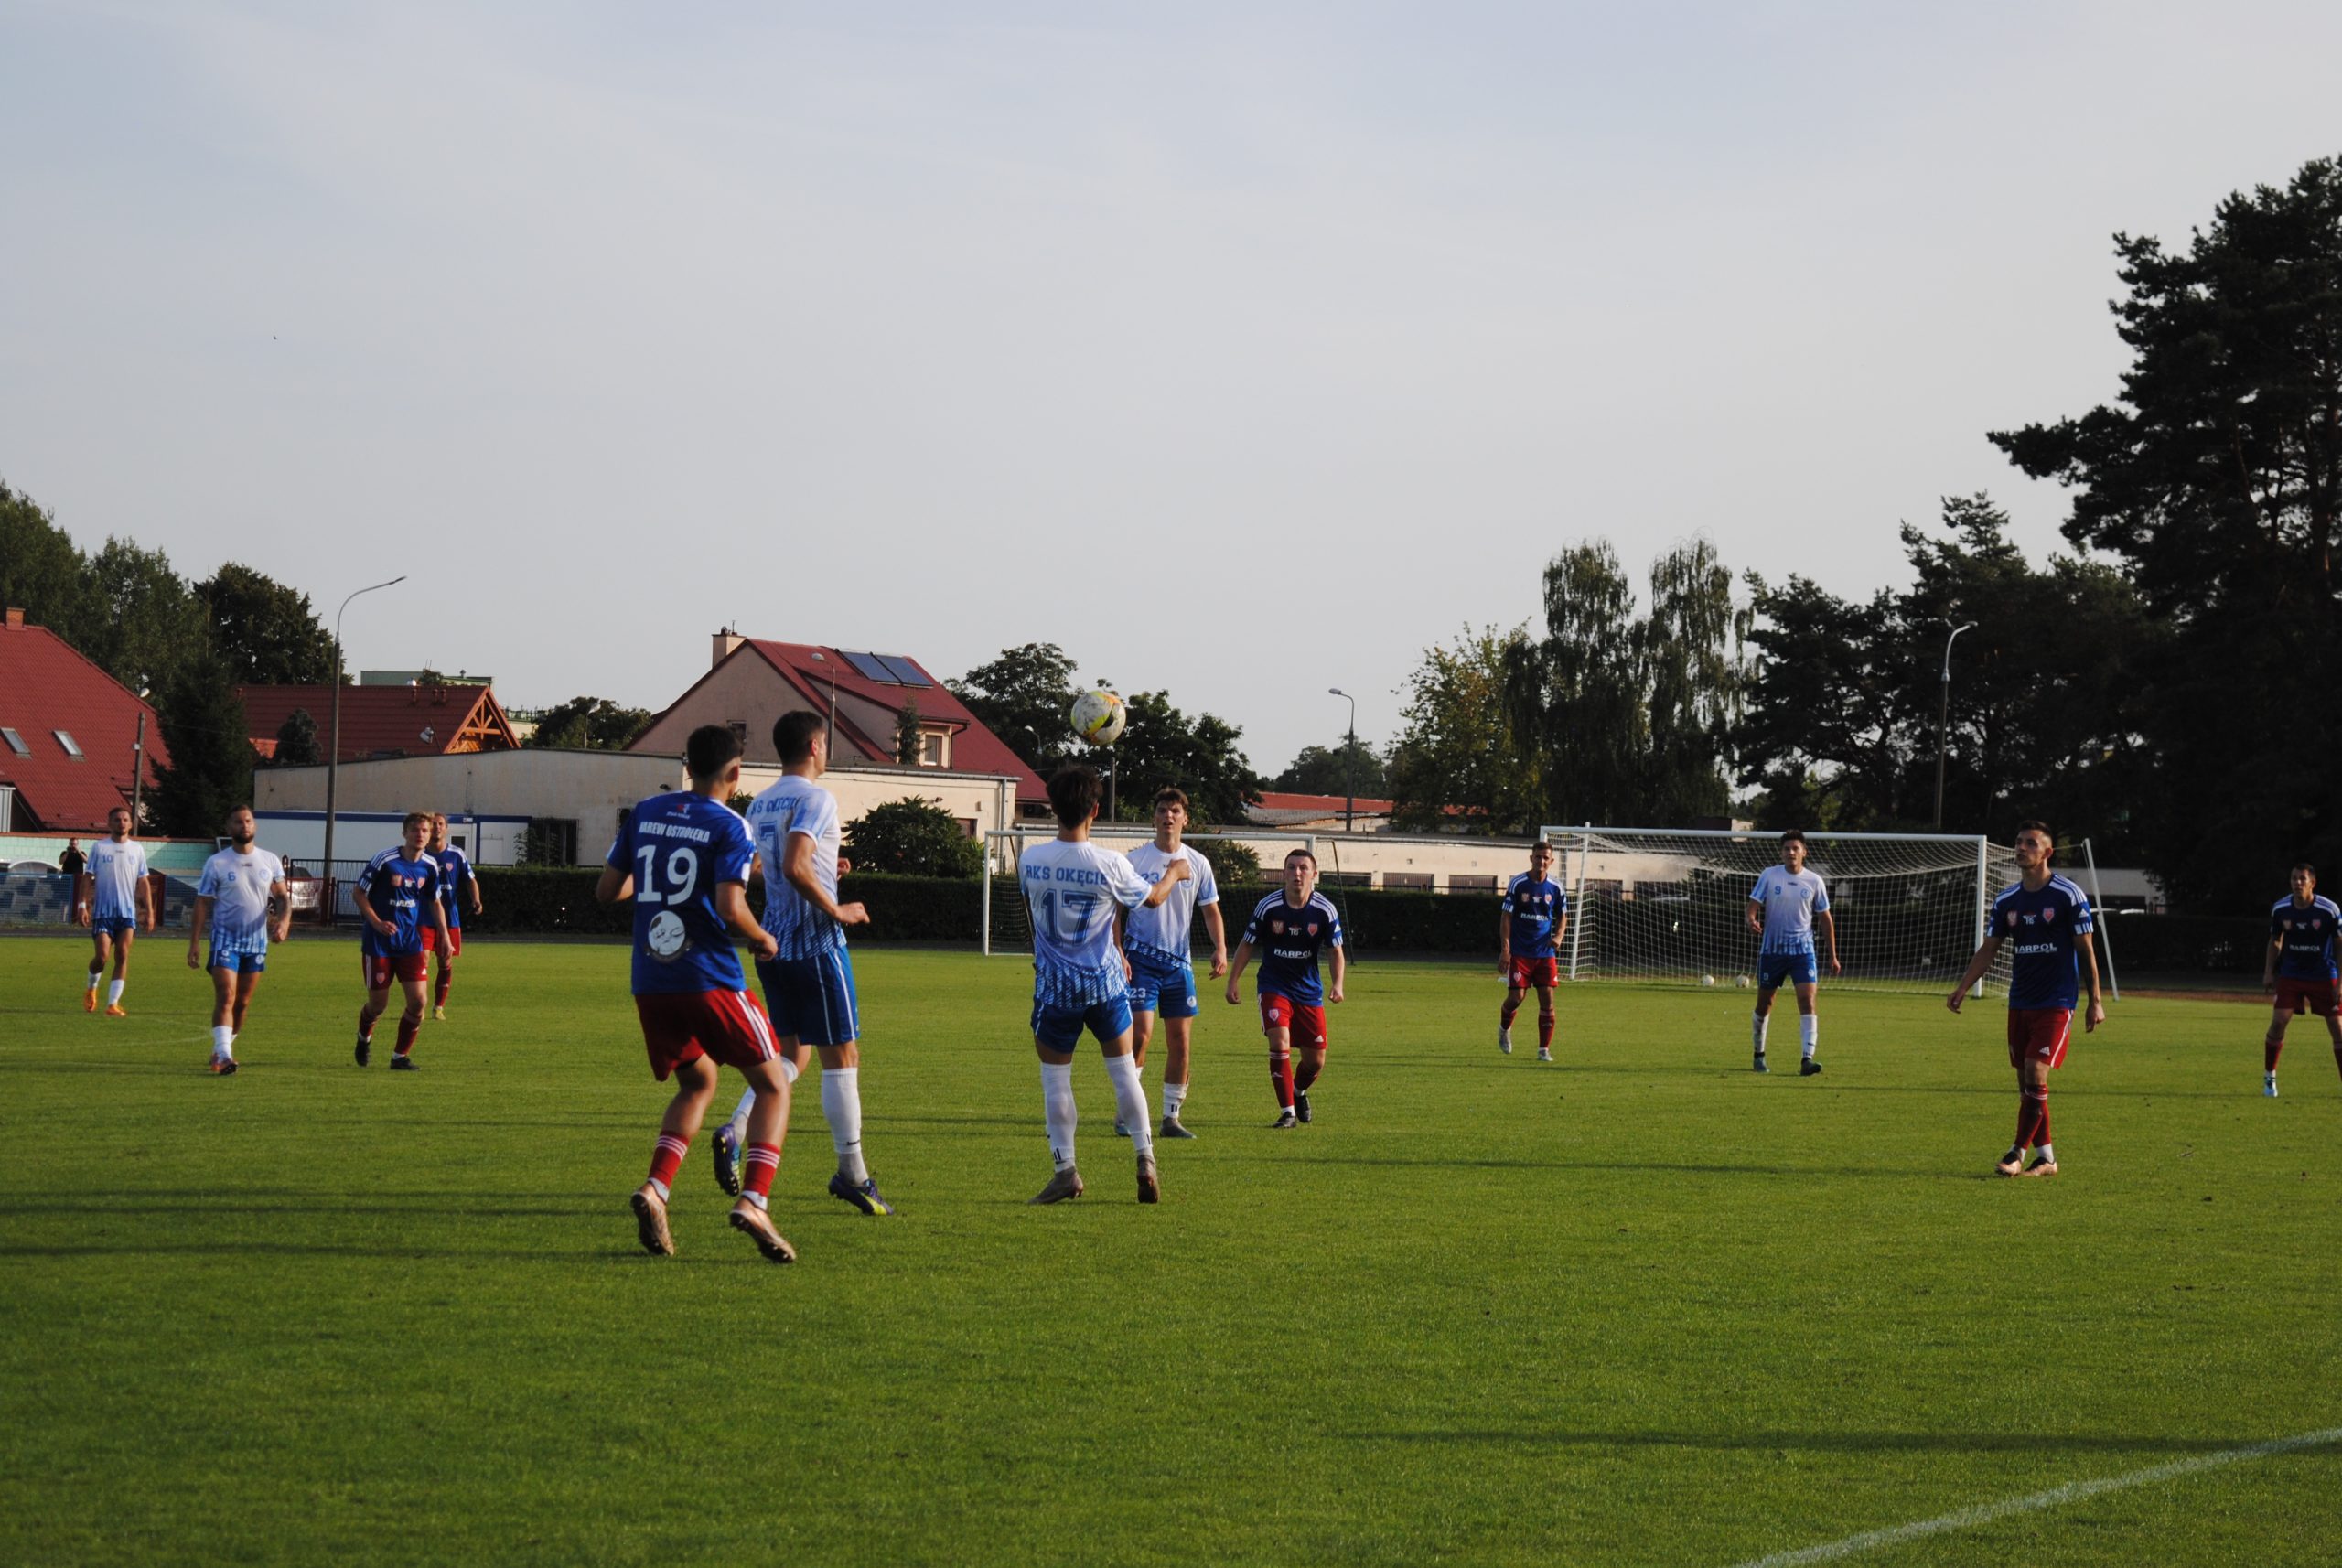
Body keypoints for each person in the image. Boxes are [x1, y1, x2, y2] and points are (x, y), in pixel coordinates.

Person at [596, 725, 795, 1262]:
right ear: (736, 772)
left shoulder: (645, 812)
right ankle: (755, 1201)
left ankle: (655, 1190)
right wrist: (762, 938)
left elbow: (608, 890)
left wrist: (656, 883)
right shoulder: (730, 824)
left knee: (699, 1081)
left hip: (651, 979)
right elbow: (731, 908)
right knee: (774, 1084)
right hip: (708, 977)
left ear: (687, 765)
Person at [715, 711, 894, 1217]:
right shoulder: (817, 798)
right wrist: (836, 908)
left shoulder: (760, 802)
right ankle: (852, 1174)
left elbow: (760, 868)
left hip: (774, 948)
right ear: (816, 746)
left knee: (793, 1055)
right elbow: (794, 865)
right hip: (816, 946)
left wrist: (825, 869)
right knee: (844, 1058)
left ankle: (735, 1129)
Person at [1018, 763, 1189, 1204]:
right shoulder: (1110, 863)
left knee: (1056, 1081)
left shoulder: (1030, 859)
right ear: (1095, 809)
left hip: (1055, 988)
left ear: (1053, 807)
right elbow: (1153, 899)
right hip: (1105, 986)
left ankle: (1065, 1171)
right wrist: (1174, 872)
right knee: (1125, 1074)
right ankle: (1145, 1157)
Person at [1947, 819, 2105, 1177]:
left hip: (2057, 1001)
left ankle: (2016, 1152)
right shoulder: (2007, 900)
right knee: (2028, 1086)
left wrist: (2095, 1000)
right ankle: (2046, 1159)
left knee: (2035, 1071)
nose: (2021, 848)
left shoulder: (2068, 895)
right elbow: (1989, 949)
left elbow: (2086, 950)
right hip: (2020, 1001)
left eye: (2030, 843)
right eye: (2019, 842)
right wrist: (1963, 987)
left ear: (2048, 852)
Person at [1122, 787, 1225, 1139]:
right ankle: (1127, 1112)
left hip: (1178, 965)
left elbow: (1210, 910)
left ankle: (1171, 1118)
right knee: (1140, 1036)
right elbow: (1117, 911)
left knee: (1181, 1042)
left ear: (1185, 819)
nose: (1169, 816)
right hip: (1139, 961)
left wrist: (1220, 947)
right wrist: (1117, 950)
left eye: (1175, 811)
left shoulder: (1198, 863)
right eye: (1163, 810)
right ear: (1153, 818)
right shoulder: (1135, 861)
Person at [1224, 848, 1346, 1128]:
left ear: (1314, 874)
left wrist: (1337, 984)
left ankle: (1298, 1092)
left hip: (1308, 991)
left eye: (1303, 868)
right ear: (1284, 873)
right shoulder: (1268, 906)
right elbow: (1247, 944)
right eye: (1291, 867)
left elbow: (1335, 951)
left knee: (1315, 1062)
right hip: (1273, 986)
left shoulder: (1325, 910)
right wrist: (1233, 981)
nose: (1297, 873)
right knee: (1279, 1043)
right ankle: (1287, 1112)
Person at [186, 806, 289, 1075]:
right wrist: (194, 942)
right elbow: (202, 902)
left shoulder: (269, 860)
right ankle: (224, 1056)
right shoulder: (217, 863)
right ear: (229, 828)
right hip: (224, 940)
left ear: (255, 825)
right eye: (238, 822)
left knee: (242, 1003)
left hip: (256, 942)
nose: (244, 825)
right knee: (226, 995)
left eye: (248, 821)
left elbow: (282, 897)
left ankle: (222, 1049)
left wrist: (284, 922)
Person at [354, 812, 451, 1070]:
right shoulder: (385, 860)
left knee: (419, 1002)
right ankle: (363, 1037)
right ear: (405, 833)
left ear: (430, 835)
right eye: (415, 830)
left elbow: (434, 901)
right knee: (378, 1005)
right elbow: (359, 892)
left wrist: (444, 935)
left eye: (425, 831)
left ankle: (399, 1057)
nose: (420, 835)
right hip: (379, 943)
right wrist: (376, 922)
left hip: (410, 942)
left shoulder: (430, 866)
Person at [1746, 829, 1840, 1075]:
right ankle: (1759, 1055)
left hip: (1803, 952)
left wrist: (1833, 955)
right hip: (1772, 951)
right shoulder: (1769, 875)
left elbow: (1825, 919)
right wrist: (1751, 920)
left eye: (1795, 848)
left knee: (1807, 1001)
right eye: (1787, 849)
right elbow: (1752, 906)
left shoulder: (1815, 881)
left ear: (1804, 852)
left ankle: (1807, 1059)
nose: (1791, 852)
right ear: (1781, 853)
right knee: (1765, 1004)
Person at [2260, 863, 2342, 1097]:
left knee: (2338, 1028)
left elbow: (2340, 945)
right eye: (2294, 878)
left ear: (2312, 883)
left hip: (2323, 974)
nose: (2297, 883)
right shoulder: (2281, 908)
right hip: (2291, 974)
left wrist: (2340, 982)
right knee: (2279, 1021)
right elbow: (2275, 940)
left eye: (2302, 879)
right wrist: (2268, 971)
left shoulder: (2329, 910)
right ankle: (2269, 1078)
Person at [76, 805, 153, 1015]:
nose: (122, 823)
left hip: (127, 913)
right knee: (102, 957)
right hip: (103, 913)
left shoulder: (137, 849)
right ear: (110, 823)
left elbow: (143, 881)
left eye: (125, 819)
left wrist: (149, 911)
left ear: (131, 823)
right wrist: (83, 905)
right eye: (117, 820)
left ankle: (113, 1004)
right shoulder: (100, 848)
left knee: (123, 954)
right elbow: (88, 877)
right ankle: (91, 988)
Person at [1498, 839, 1568, 1062]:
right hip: (1520, 952)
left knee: (1547, 1000)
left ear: (1551, 861)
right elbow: (1506, 916)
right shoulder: (1518, 884)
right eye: (1538, 857)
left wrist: (1558, 936)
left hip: (1545, 953)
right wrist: (1506, 949)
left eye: (1546, 858)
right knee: (1516, 997)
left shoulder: (1556, 887)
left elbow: (1563, 916)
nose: (1541, 861)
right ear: (1531, 858)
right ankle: (1504, 1028)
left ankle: (1543, 1050)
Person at [424, 813, 483, 1020]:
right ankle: (418, 1006)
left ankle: (438, 1007)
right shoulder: (420, 854)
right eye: (433, 824)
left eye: (440, 824)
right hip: (423, 917)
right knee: (421, 960)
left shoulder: (456, 854)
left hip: (449, 918)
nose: (437, 827)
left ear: (446, 828)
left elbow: (470, 879)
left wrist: (476, 899)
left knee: (444, 962)